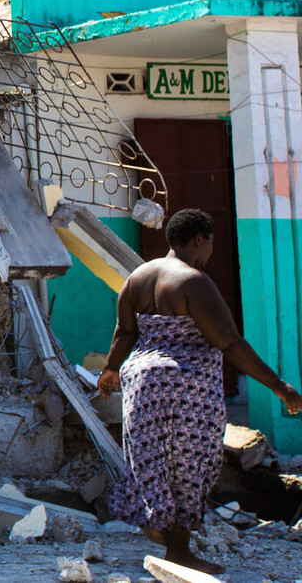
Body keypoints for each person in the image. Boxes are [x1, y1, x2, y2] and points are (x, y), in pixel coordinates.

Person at [98, 207, 302, 573]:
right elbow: (229, 342)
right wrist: (279, 386)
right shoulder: (193, 282)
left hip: (142, 383)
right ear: (199, 239)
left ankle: (155, 519)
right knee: (189, 466)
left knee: (152, 461)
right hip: (186, 388)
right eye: (210, 244)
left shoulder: (137, 278)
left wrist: (111, 368)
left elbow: (125, 331)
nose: (210, 253)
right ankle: (178, 550)